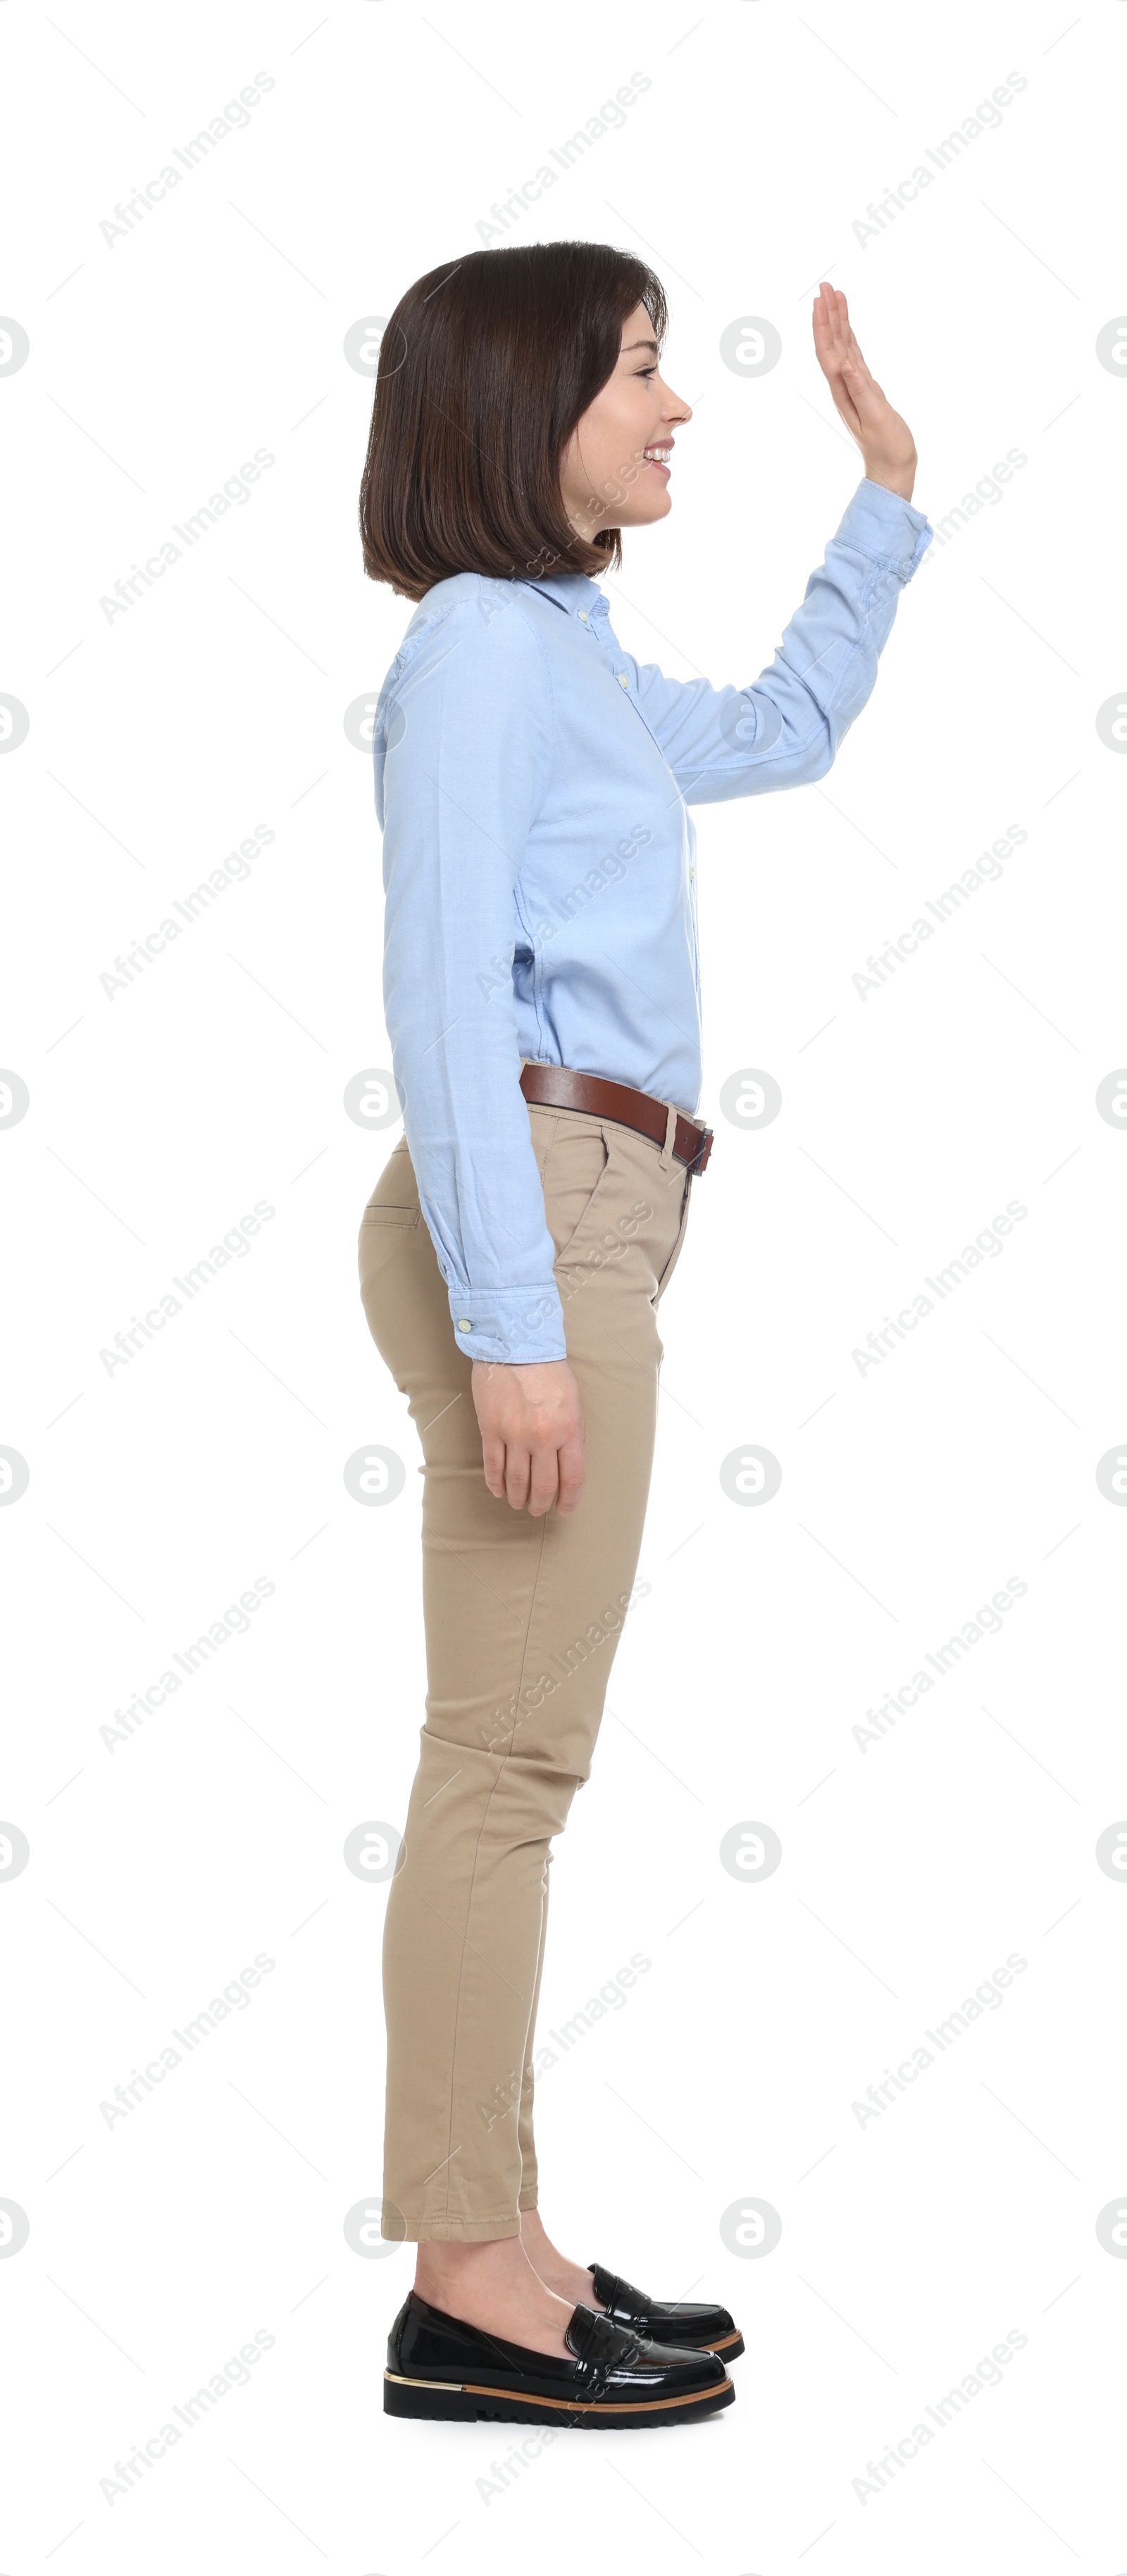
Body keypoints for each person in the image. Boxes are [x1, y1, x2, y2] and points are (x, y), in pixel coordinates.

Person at [357, 241, 930, 2428]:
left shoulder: (566, 652)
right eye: (637, 370)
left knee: (513, 1757)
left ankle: (503, 2234)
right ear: (525, 410)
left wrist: (879, 497)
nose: (678, 405)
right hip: (538, 1218)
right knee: (504, 1765)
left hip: (587, 1214)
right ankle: (466, 2275)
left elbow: (777, 734)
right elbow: (439, 1002)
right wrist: (518, 1329)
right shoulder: (485, 656)